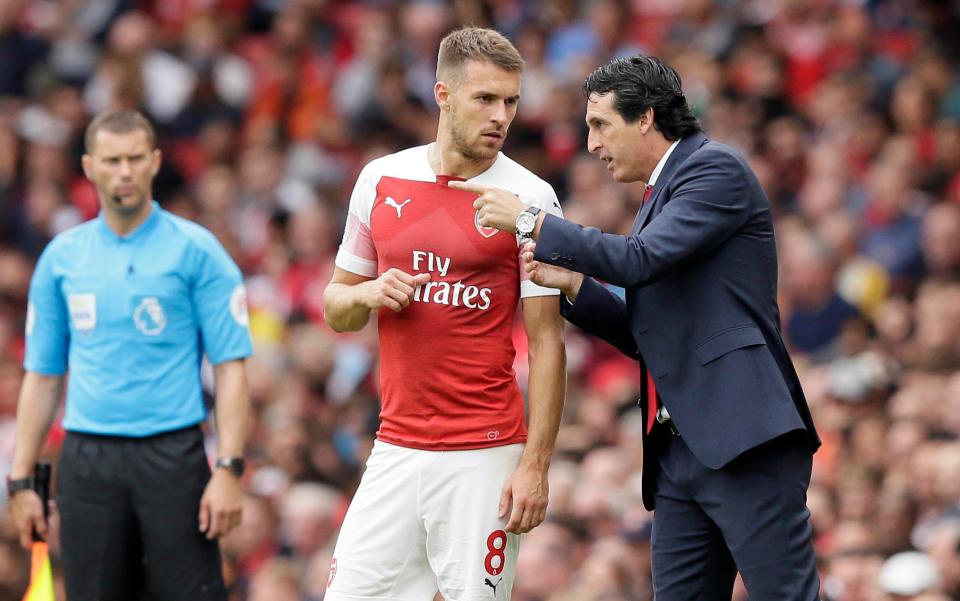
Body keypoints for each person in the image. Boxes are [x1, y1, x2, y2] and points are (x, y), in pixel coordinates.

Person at [455, 56, 822, 600]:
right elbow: (647, 331)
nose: (591, 143)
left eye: (601, 124)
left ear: (646, 117)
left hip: (743, 437)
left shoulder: (713, 168)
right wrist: (574, 286)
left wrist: (533, 220)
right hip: (677, 452)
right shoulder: (660, 195)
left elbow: (639, 259)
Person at [322, 27, 566, 601]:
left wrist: (536, 464)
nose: (501, 115)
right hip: (395, 445)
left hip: (484, 453)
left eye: (511, 101)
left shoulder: (530, 197)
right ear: (443, 94)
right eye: (485, 99)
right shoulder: (381, 178)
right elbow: (337, 308)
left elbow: (548, 343)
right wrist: (367, 293)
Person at [7, 109, 253, 601]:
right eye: (112, 160)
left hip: (172, 455)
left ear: (155, 162)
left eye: (135, 158)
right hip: (88, 460)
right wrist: (20, 481)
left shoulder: (198, 251)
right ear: (89, 166)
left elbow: (231, 368)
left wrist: (228, 469)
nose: (125, 171)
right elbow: (42, 376)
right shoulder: (62, 259)